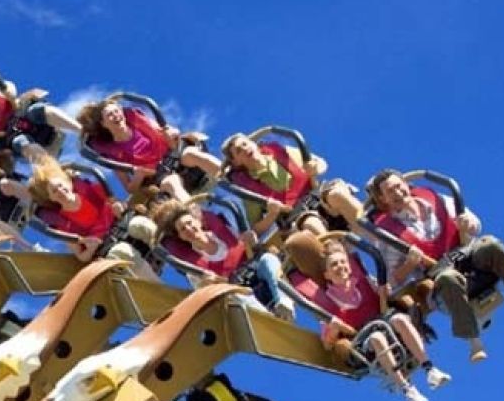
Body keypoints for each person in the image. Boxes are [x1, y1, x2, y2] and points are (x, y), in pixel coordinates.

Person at [365, 169, 504, 362]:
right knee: (449, 278)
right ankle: (474, 342)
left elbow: (473, 223)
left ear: (406, 184)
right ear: (383, 200)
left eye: (399, 186)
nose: (398, 193)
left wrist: (469, 225)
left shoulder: (434, 199)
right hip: (437, 277)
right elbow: (394, 280)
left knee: (490, 243)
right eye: (390, 192)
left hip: (464, 256)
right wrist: (409, 264)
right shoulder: (387, 234)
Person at [283, 232, 449, 401]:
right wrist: (334, 327)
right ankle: (408, 390)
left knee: (400, 318)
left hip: (384, 319)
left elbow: (384, 293)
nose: (340, 266)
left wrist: (383, 290)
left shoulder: (363, 280)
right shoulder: (324, 299)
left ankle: (430, 369)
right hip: (362, 336)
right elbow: (327, 343)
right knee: (377, 337)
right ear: (327, 275)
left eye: (342, 262)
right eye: (334, 265)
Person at [152, 199, 296, 320]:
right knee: (234, 294)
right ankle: (268, 320)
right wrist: (207, 283)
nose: (189, 229)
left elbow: (252, 236)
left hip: (256, 270)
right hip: (238, 290)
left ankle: (284, 303)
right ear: (181, 237)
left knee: (268, 259)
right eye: (183, 229)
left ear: (198, 221)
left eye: (189, 223)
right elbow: (203, 291)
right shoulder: (192, 265)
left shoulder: (224, 228)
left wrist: (252, 239)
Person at [26, 156, 158, 277]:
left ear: (68, 183)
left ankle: (170, 250)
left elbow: (114, 202)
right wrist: (90, 250)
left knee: (140, 223)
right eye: (54, 191)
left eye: (60, 186)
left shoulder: (89, 190)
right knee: (123, 252)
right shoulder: (61, 223)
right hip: (106, 246)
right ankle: (158, 288)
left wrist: (118, 206)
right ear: (51, 198)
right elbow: (81, 255)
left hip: (120, 224)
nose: (60, 191)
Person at [220, 131, 363, 236]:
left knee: (338, 195)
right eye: (239, 151)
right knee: (312, 225)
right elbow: (256, 230)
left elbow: (320, 162)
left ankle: (375, 236)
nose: (245, 149)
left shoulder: (281, 152)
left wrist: (316, 168)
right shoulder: (249, 188)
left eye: (245, 144)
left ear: (253, 143)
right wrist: (271, 214)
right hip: (297, 215)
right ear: (236, 162)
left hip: (318, 194)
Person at [77, 97, 220, 200]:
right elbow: (130, 188)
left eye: (116, 111)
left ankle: (230, 175)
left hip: (173, 154)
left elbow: (164, 132)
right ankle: (197, 220)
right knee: (172, 184)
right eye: (110, 115)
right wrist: (139, 175)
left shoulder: (138, 120)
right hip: (158, 174)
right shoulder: (113, 153)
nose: (116, 116)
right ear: (104, 124)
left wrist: (174, 133)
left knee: (194, 155)